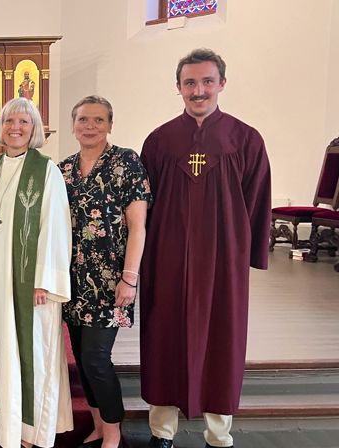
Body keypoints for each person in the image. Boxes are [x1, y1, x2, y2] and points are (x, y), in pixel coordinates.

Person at [140, 48, 271, 448]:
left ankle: (219, 434)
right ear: (178, 87)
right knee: (164, 336)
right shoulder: (160, 141)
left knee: (222, 340)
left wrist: (246, 255)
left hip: (223, 259)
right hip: (167, 258)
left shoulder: (245, 139)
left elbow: (257, 198)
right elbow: (143, 205)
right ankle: (162, 430)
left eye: (207, 81)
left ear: (222, 84)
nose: (199, 90)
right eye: (190, 83)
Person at [0, 97, 74, 448]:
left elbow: (56, 226)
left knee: (33, 352)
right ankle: (8, 432)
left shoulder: (45, 170)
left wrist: (44, 279)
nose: (16, 127)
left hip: (32, 284)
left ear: (35, 129)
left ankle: (31, 436)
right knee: (3, 351)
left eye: (24, 122)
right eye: (10, 120)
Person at [59, 95, 151, 448]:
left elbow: (138, 226)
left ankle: (113, 433)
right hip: (72, 279)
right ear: (73, 125)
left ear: (110, 124)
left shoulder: (126, 162)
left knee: (97, 358)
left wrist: (130, 277)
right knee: (82, 361)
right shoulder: (63, 169)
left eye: (98, 120)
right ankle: (97, 424)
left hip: (111, 280)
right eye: (83, 120)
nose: (90, 126)